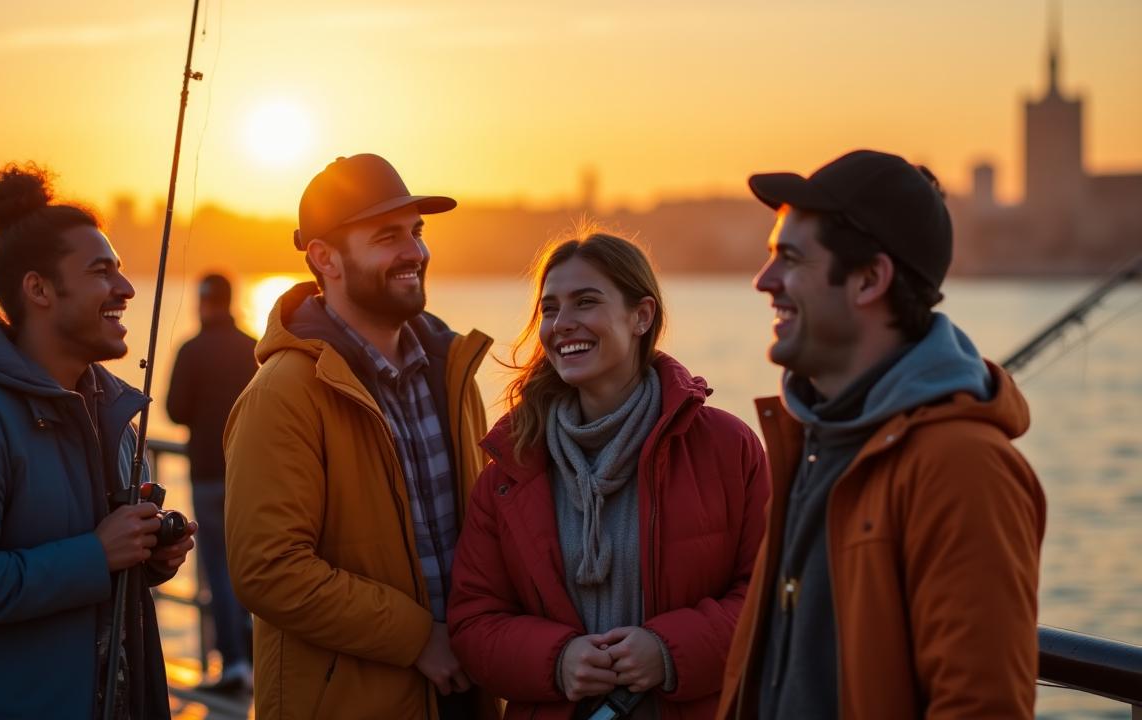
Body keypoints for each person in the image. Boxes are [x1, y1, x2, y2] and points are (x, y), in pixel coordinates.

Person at [717, 150, 1046, 719]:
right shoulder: (811, 440)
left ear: (870, 279)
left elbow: (981, 706)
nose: (763, 281)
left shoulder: (963, 466)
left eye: (789, 259)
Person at [0, 164, 197, 719]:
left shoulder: (114, 418)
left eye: (122, 270)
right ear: (38, 288)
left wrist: (146, 558)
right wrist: (96, 554)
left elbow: (96, 568)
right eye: (101, 271)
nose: (126, 289)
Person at [447, 232, 771, 719]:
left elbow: (770, 596)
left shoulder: (727, 447)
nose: (562, 324)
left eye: (586, 302)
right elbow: (473, 622)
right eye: (550, 308)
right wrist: (557, 660)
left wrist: (668, 651)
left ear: (642, 316)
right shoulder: (509, 469)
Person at [223, 153, 498, 719]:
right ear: (325, 258)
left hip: (467, 691)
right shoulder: (283, 393)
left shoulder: (453, 373)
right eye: (387, 236)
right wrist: (420, 639)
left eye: (417, 232)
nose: (415, 252)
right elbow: (267, 567)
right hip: (352, 701)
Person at [165, 272, 257, 693]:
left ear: (202, 302)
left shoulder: (191, 350)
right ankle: (261, 658)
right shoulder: (252, 347)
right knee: (256, 566)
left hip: (205, 472)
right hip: (249, 473)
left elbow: (174, 409)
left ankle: (235, 663)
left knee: (218, 570)